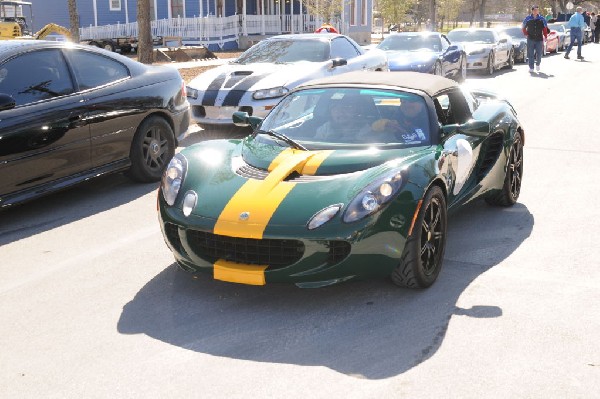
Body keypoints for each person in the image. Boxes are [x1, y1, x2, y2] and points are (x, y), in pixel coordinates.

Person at [522, 5, 549, 73]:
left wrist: (545, 37)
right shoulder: (527, 18)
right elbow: (523, 27)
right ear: (532, 11)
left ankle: (538, 64)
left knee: (539, 53)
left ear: (538, 11)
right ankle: (531, 67)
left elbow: (545, 28)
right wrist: (526, 34)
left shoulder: (542, 19)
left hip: (539, 39)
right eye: (534, 10)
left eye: (537, 10)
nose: (535, 11)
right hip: (530, 38)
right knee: (530, 54)